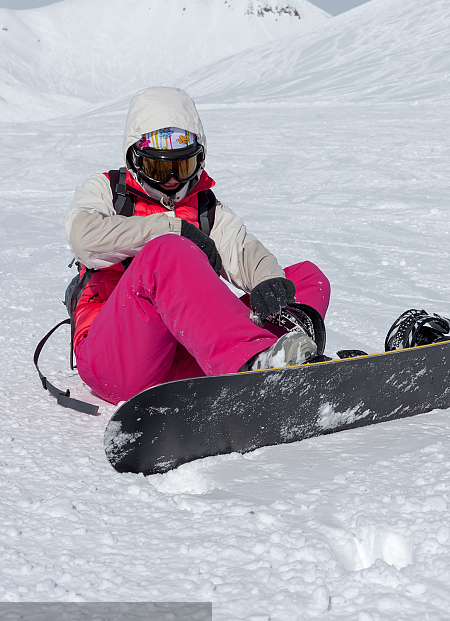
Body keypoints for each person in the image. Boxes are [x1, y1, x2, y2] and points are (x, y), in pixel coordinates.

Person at [64, 87, 330, 404]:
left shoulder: (204, 208)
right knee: (168, 252)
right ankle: (248, 367)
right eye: (159, 169)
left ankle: (276, 362)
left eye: (183, 166)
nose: (173, 180)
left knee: (304, 279)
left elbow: (241, 251)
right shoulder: (107, 190)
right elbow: (84, 238)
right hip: (115, 359)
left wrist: (266, 279)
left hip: (186, 355)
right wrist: (168, 228)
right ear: (136, 160)